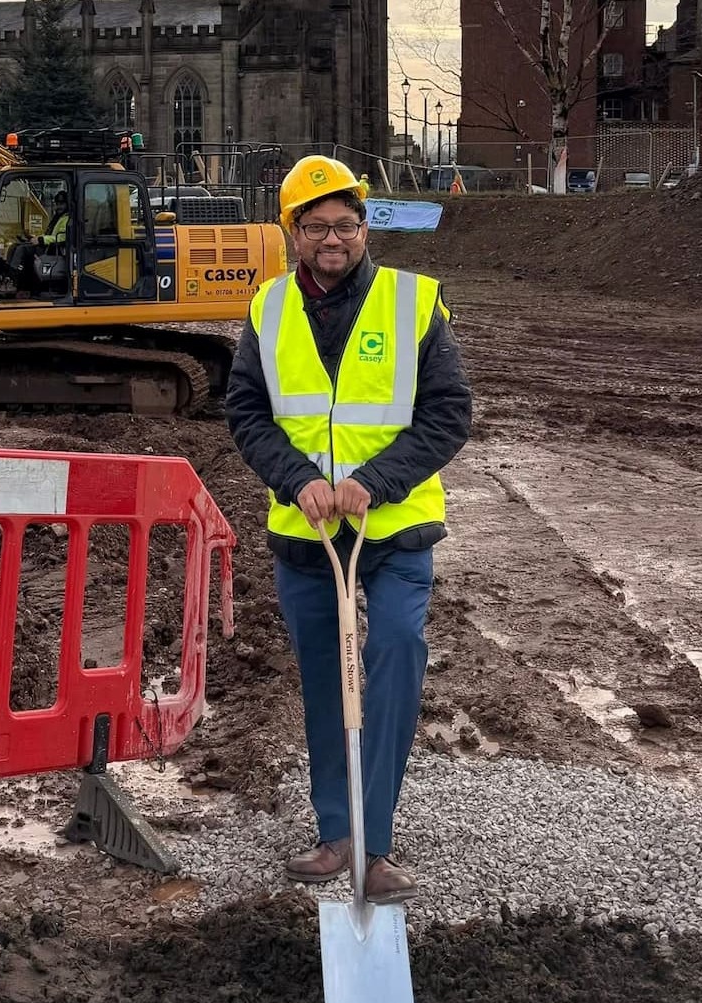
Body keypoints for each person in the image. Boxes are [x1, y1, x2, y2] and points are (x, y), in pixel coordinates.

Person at [225, 155, 471, 903]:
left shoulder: (413, 302)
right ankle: (338, 834)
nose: (333, 238)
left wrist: (374, 483)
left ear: (364, 228)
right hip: (306, 538)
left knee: (393, 656)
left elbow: (448, 414)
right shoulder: (267, 310)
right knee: (328, 683)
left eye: (346, 225)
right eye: (317, 226)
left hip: (393, 531)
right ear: (293, 233)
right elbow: (246, 413)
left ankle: (376, 843)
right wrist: (297, 481)